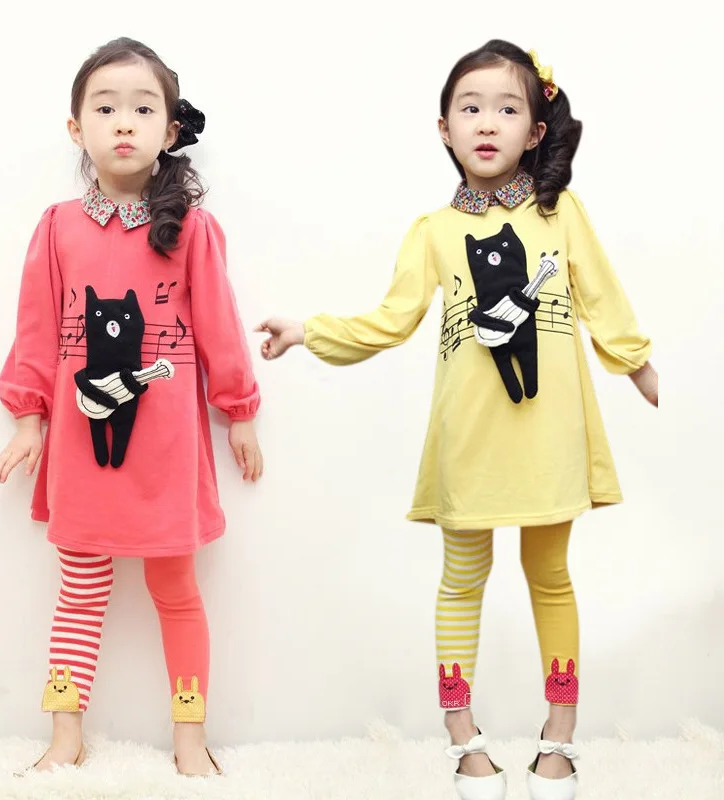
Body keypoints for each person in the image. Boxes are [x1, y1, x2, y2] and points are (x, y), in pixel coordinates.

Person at [256, 39, 657, 800]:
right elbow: (391, 320)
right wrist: (308, 331)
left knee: (550, 577)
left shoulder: (561, 214)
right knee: (462, 581)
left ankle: (560, 735)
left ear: (535, 131)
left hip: (550, 440)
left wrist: (646, 372)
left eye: (507, 108)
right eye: (470, 108)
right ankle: (462, 736)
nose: (487, 122)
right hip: (468, 445)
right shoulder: (433, 231)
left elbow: (604, 302)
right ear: (444, 128)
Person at [0, 37, 263, 777]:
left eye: (143, 110)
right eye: (105, 107)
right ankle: (65, 737)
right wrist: (28, 418)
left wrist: (240, 411)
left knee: (176, 589)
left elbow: (220, 327)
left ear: (170, 130)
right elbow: (36, 329)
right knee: (80, 592)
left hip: (166, 450)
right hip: (83, 448)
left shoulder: (192, 229)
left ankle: (189, 738)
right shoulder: (57, 227)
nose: (123, 122)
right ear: (75, 127)